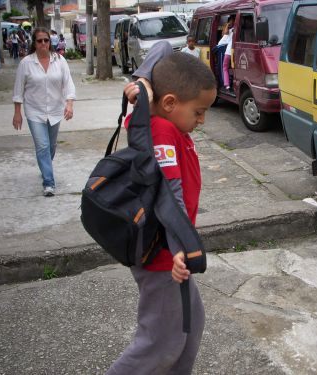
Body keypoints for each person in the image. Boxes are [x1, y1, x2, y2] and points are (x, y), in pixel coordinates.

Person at [106, 47, 216, 375]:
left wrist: (142, 82)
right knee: (158, 344)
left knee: (191, 325)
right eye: (198, 112)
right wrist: (182, 247)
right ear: (169, 103)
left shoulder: (160, 121)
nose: (202, 120)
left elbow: (163, 48)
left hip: (168, 252)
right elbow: (171, 197)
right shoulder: (162, 132)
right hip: (163, 257)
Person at [12, 27, 76, 197]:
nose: (43, 44)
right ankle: (48, 182)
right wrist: (17, 112)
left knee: (51, 146)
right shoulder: (26, 63)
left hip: (55, 111)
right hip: (34, 111)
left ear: (50, 42)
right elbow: (18, 89)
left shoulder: (59, 60)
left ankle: (45, 166)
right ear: (34, 43)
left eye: (46, 40)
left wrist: (69, 104)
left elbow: (68, 84)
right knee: (43, 146)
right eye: (39, 41)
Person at [218, 15, 235, 92]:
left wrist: (228, 24)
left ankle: (227, 85)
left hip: (228, 52)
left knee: (225, 68)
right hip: (236, 52)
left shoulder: (231, 30)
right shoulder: (237, 29)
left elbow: (225, 33)